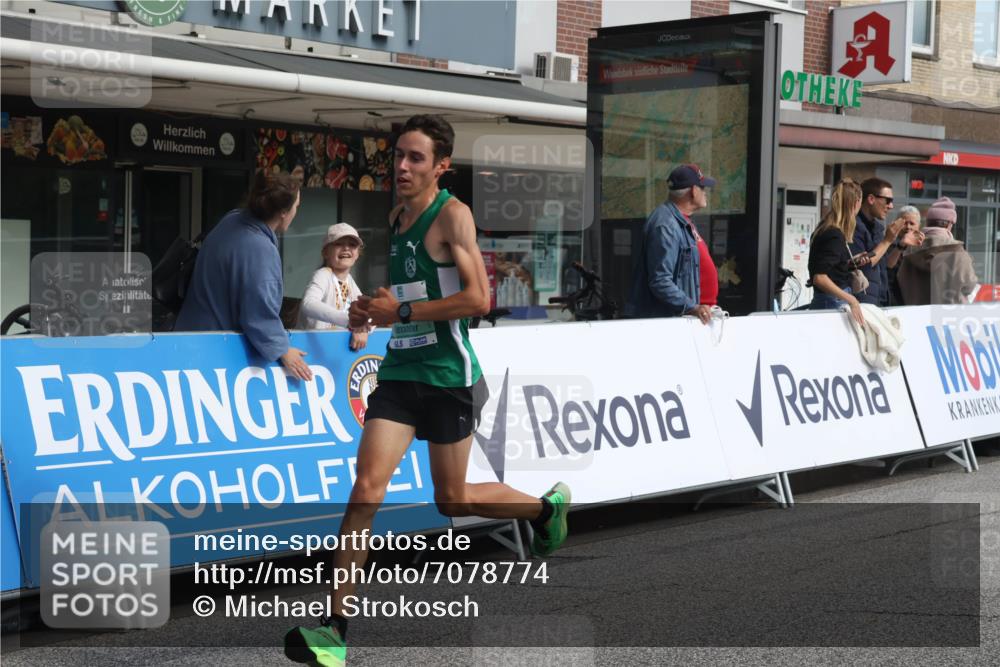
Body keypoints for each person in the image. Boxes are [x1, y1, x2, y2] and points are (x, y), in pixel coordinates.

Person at [284, 115, 571, 667]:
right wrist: (378, 306)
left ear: (441, 165)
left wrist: (405, 309)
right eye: (398, 156)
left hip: (447, 377)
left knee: (451, 499)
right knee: (365, 490)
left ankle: (542, 509)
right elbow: (413, 291)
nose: (402, 166)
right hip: (398, 375)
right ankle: (334, 631)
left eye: (416, 158)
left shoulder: (453, 216)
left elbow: (479, 299)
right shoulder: (397, 216)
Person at [175, 171, 312, 381]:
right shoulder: (260, 249)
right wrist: (283, 350)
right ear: (284, 212)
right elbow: (258, 314)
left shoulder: (231, 219)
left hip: (187, 340)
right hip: (215, 354)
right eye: (297, 206)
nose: (296, 211)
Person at [625, 163, 717, 324]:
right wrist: (692, 307)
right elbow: (660, 281)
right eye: (702, 188)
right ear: (693, 191)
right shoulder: (666, 224)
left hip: (692, 319)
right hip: (675, 323)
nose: (705, 193)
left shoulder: (680, 220)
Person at [298, 223, 371, 351]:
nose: (346, 248)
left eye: (352, 245)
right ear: (325, 252)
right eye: (338, 244)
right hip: (310, 351)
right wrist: (351, 321)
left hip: (332, 350)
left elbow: (369, 313)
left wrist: (363, 328)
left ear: (358, 254)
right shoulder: (323, 274)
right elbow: (308, 304)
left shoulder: (350, 282)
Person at [808, 178, 867, 327]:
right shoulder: (835, 234)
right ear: (856, 203)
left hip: (827, 300)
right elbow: (820, 277)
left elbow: (825, 269)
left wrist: (847, 263)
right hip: (833, 302)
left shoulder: (824, 229)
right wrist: (851, 300)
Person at [898, 196, 978, 305]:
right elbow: (969, 286)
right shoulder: (957, 251)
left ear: (928, 223)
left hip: (915, 316)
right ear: (949, 224)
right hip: (948, 316)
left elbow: (901, 281)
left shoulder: (910, 250)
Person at [850, 177, 907, 306]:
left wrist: (901, 245)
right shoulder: (854, 227)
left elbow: (885, 264)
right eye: (888, 201)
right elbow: (862, 265)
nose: (891, 206)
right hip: (861, 303)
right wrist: (887, 240)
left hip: (879, 300)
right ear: (871, 199)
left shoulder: (877, 228)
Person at [884, 206, 926, 306]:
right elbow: (888, 265)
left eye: (912, 223)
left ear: (918, 226)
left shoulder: (924, 246)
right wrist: (901, 245)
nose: (908, 227)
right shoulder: (888, 243)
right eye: (904, 223)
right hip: (893, 300)